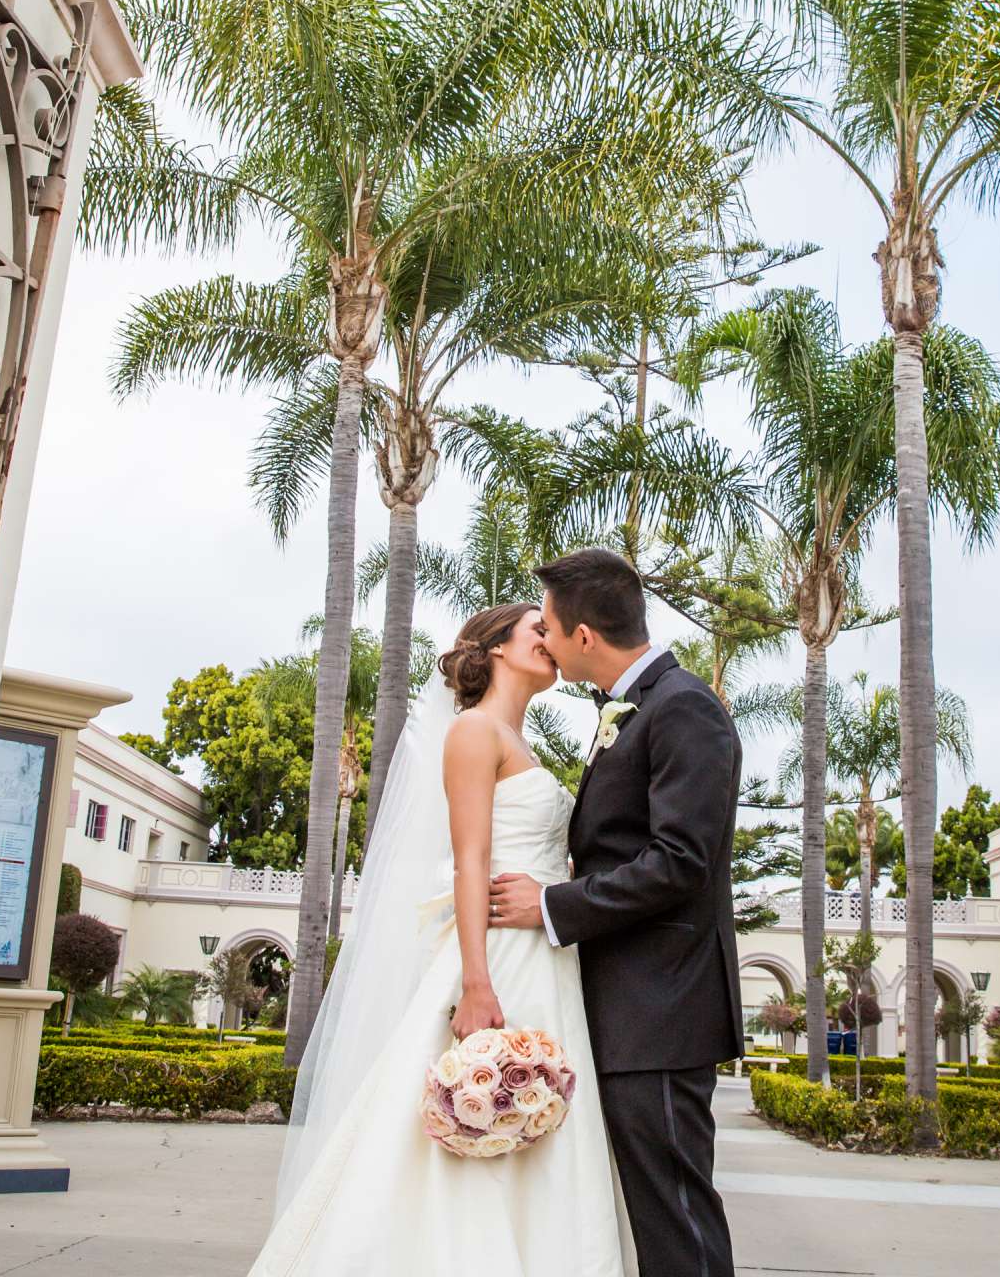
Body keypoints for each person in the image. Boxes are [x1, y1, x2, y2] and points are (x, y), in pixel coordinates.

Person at [248, 600, 636, 1276]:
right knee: (466, 1125)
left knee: (546, 1125)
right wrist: (477, 984)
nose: (549, 641)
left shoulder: (522, 743)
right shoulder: (473, 733)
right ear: (493, 651)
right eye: (535, 631)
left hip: (547, 955)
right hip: (498, 958)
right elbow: (470, 861)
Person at [489, 547, 745, 1277]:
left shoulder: (683, 707)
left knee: (676, 1216)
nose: (543, 636)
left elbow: (680, 862)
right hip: (629, 1004)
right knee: (655, 1214)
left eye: (549, 625)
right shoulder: (635, 711)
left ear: (584, 638)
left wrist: (551, 904)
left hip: (662, 1009)